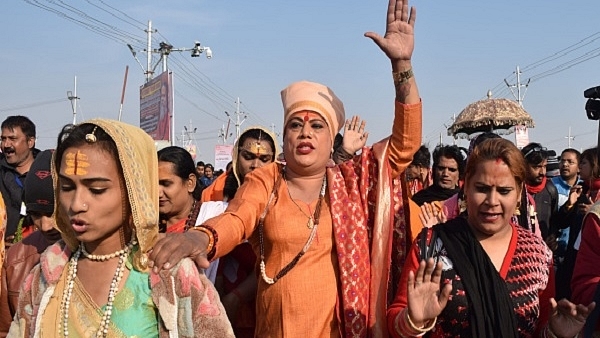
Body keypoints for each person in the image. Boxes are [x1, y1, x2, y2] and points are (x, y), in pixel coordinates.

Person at [149, 0, 422, 336]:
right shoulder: (268, 179)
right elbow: (238, 218)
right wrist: (201, 237)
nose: (305, 132)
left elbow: (405, 145)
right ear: (286, 135)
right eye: (295, 125)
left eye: (316, 126)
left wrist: (402, 66)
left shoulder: (350, 183)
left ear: (330, 138)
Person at [8, 119, 233, 337]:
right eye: (67, 187)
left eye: (96, 189)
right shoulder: (47, 273)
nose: (76, 204)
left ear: (134, 190)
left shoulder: (167, 270)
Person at [387, 138, 595, 338]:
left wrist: (556, 333)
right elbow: (396, 322)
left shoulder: (537, 254)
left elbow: (540, 329)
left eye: (504, 191)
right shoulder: (433, 244)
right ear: (466, 187)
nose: (492, 201)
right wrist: (413, 321)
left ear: (519, 193)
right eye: (482, 189)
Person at [0, 150, 61, 336]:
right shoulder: (16, 259)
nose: (45, 225)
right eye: (36, 214)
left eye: (52, 213)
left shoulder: (99, 255)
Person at [553, 147, 600, 300]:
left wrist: (591, 212)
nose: (580, 167)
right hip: (573, 257)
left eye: (584, 163)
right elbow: (561, 222)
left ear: (595, 165)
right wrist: (570, 204)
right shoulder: (581, 190)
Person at [0, 115, 40, 242]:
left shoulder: (48, 172)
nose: (6, 145)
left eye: (13, 139)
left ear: (30, 142)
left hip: (38, 250)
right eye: (3, 139)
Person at [521, 142, 559, 245]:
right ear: (523, 165)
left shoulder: (550, 189)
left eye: (545, 166)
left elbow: (554, 220)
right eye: (537, 167)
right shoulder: (515, 190)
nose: (542, 172)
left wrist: (552, 236)